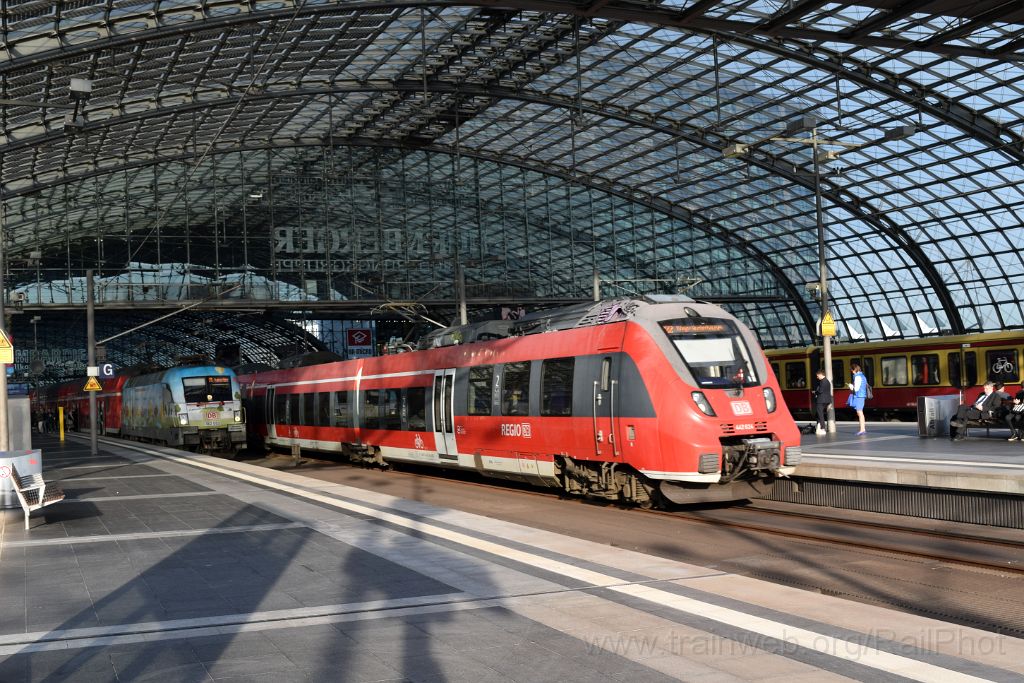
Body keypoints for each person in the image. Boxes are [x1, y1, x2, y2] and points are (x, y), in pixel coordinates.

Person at [847, 362, 868, 435]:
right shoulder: (862, 376)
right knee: (860, 413)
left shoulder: (857, 377)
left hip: (859, 396)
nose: (852, 372)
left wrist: (850, 386)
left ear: (854, 370)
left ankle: (862, 429)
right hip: (861, 396)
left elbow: (856, 389)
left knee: (859, 413)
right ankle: (862, 429)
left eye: (852, 371)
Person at [812, 368, 832, 435]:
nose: (817, 377)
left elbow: (820, 391)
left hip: (821, 400)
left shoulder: (823, 382)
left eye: (817, 376)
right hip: (826, 400)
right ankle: (818, 426)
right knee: (818, 414)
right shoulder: (827, 381)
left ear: (820, 375)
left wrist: (815, 392)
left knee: (820, 414)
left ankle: (822, 428)